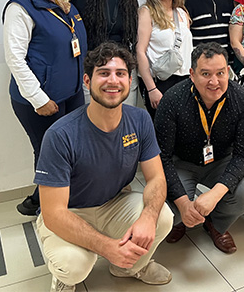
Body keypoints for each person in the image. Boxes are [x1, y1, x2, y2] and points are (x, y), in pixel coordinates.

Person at [35, 42, 173, 291]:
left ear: (129, 81)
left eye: (120, 73)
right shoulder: (60, 135)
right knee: (73, 265)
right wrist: (107, 247)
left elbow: (156, 179)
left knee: (162, 216)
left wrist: (147, 218)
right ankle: (64, 280)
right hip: (70, 211)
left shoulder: (140, 119)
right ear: (87, 81)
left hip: (114, 203)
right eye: (104, 73)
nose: (113, 80)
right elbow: (53, 213)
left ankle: (128, 267)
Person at [3, 0, 87, 216]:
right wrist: (38, 99)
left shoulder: (65, 4)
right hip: (40, 99)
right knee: (48, 154)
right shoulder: (20, 8)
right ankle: (47, 210)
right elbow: (15, 59)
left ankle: (43, 200)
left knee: (68, 151)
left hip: (70, 94)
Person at [154, 43, 244, 254]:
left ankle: (216, 225)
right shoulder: (172, 101)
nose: (214, 81)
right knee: (169, 209)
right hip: (182, 162)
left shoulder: (243, 100)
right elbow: (161, 157)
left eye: (220, 73)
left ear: (228, 71)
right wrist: (183, 204)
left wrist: (215, 194)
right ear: (192, 74)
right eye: (205, 74)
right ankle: (183, 219)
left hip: (221, 161)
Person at [68, 0, 139, 106]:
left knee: (125, 121)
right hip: (92, 70)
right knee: (93, 122)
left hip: (122, 70)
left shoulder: (130, 1)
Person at [137, 0, 193, 117]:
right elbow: (140, 52)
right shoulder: (146, 12)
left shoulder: (182, 12)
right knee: (163, 134)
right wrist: (151, 89)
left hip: (185, 81)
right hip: (161, 82)